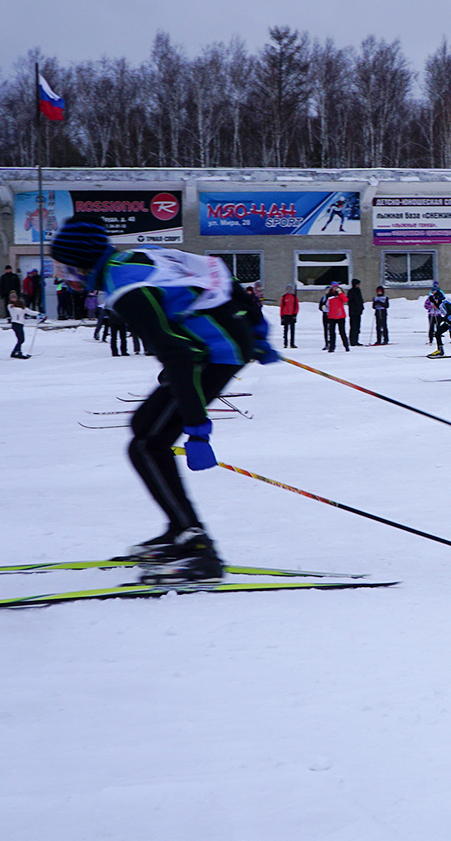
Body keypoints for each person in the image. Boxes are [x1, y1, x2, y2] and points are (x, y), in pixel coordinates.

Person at [49, 217, 279, 582]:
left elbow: (179, 356)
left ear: (81, 262)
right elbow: (216, 272)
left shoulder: (124, 288)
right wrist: (255, 328)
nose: (63, 277)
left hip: (210, 355)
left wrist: (197, 429)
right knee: (143, 430)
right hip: (219, 347)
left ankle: (196, 546)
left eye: (63, 267)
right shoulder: (135, 258)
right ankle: (183, 531)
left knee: (146, 445)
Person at [6, 294, 39, 359]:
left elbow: (29, 311)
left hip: (20, 324)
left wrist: (38, 313)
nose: (13, 299)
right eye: (12, 298)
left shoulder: (21, 306)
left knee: (21, 339)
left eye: (14, 298)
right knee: (21, 339)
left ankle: (15, 352)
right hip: (16, 323)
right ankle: (18, 352)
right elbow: (10, 308)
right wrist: (12, 305)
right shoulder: (10, 306)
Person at [323, 283, 350, 352]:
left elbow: (345, 300)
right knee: (331, 332)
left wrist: (340, 293)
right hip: (332, 316)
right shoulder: (329, 297)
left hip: (340, 315)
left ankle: (346, 346)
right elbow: (326, 306)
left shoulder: (340, 295)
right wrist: (324, 308)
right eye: (334, 287)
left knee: (342, 332)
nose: (335, 288)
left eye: (336, 287)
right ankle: (332, 347)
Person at [347, 279, 366, 346]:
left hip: (358, 312)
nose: (358, 285)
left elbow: (360, 300)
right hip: (353, 312)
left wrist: (361, 307)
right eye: (357, 284)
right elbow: (351, 302)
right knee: (353, 327)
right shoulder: (351, 292)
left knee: (357, 327)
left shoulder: (358, 291)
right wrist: (355, 308)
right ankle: (352, 341)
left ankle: (356, 340)